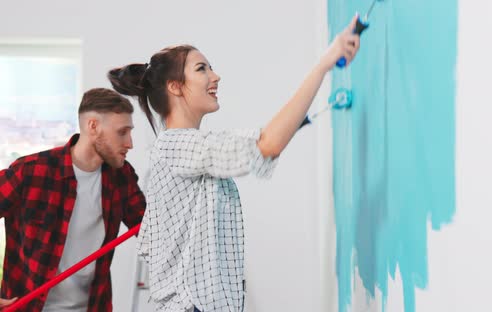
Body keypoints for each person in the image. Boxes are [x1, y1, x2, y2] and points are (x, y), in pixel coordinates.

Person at [108, 15, 361, 312]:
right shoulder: (176, 146)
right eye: (202, 69)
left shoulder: (187, 151)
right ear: (175, 87)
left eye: (211, 68)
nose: (215, 77)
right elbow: (267, 144)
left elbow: (265, 147)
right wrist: (324, 64)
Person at [0, 88, 146, 312]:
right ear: (93, 126)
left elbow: (153, 232)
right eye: (122, 132)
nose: (129, 143)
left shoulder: (121, 177)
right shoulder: (30, 172)